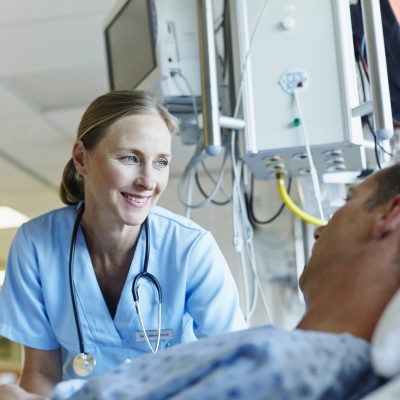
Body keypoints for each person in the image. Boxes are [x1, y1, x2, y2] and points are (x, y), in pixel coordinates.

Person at [2, 162, 400, 399]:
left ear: (391, 215)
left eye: (348, 201)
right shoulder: (281, 351)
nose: (319, 229)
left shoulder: (291, 366)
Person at [0, 90, 247, 398]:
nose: (148, 180)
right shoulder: (36, 244)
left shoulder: (190, 248)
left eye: (160, 162)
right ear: (81, 158)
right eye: (130, 158)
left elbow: (236, 365)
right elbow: (41, 372)